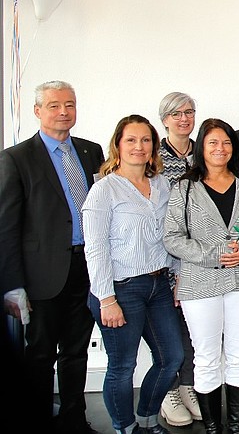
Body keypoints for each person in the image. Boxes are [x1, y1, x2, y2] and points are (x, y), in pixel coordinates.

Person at [0, 80, 105, 434]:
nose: (64, 111)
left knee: (76, 352)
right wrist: (12, 285)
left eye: (70, 104)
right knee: (41, 355)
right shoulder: (15, 159)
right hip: (43, 273)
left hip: (87, 268)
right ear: (37, 111)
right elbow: (7, 227)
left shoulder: (91, 152)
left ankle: (75, 418)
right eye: (55, 105)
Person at [164, 118, 239, 434]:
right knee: (207, 357)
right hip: (201, 283)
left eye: (226, 142)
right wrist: (212, 255)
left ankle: (236, 428)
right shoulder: (184, 188)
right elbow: (172, 237)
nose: (220, 148)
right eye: (212, 142)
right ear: (202, 147)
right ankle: (213, 428)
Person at [82, 115, 183, 434]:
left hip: (159, 285)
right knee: (123, 367)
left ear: (154, 146)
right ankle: (125, 427)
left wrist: (178, 275)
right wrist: (106, 299)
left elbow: (173, 235)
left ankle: (149, 419)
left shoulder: (162, 185)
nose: (139, 147)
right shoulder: (104, 190)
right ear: (118, 145)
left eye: (145, 140)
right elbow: (95, 248)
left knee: (172, 358)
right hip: (119, 289)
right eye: (131, 140)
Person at [155, 92, 202, 427]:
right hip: (164, 257)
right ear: (165, 119)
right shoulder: (152, 156)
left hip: (199, 257)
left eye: (189, 112)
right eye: (176, 113)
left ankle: (188, 385)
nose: (184, 118)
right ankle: (168, 391)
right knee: (168, 328)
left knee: (192, 328)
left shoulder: (205, 151)